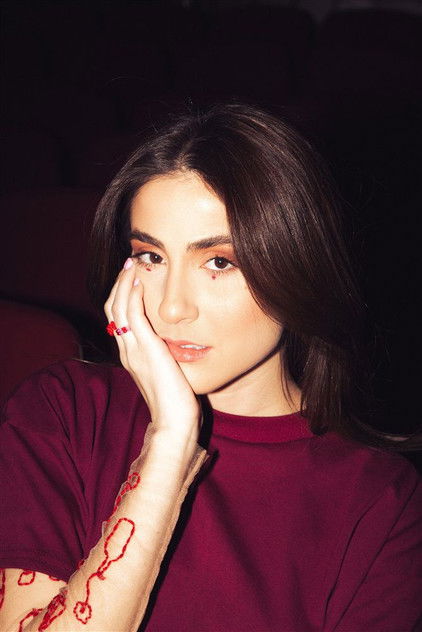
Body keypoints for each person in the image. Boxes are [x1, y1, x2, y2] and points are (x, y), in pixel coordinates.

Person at [0, 103, 421, 632]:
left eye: (220, 262)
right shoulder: (64, 409)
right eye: (151, 257)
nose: (172, 307)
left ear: (297, 265)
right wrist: (169, 443)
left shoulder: (380, 498)